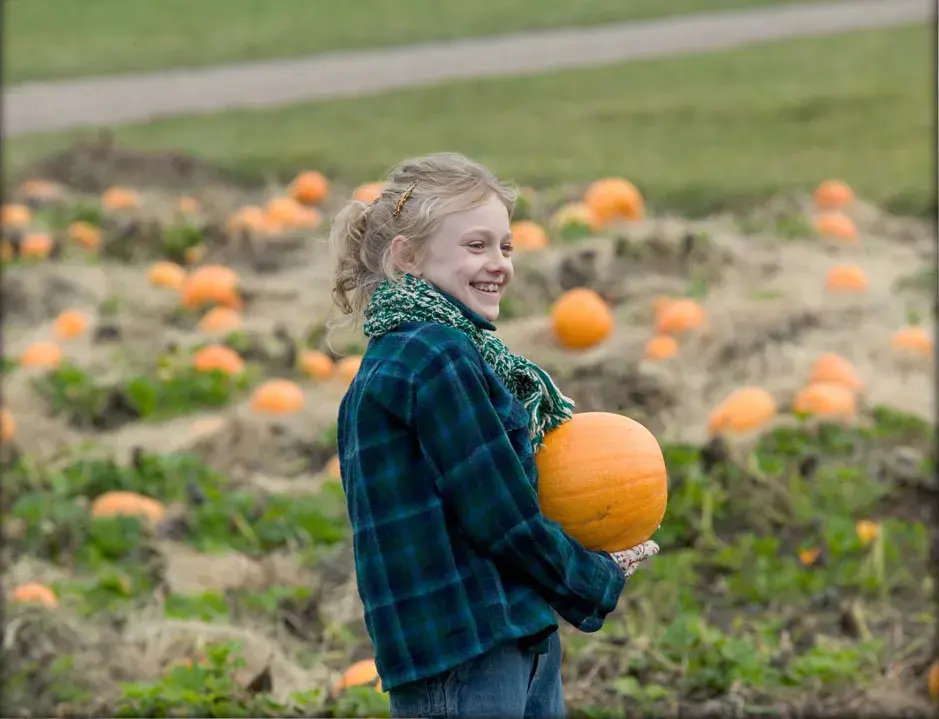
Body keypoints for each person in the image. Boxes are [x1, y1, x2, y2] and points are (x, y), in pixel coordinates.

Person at [329, 152, 660, 719]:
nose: (499, 264)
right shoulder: (433, 356)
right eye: (476, 246)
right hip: (468, 654)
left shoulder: (416, 356)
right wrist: (592, 576)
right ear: (407, 256)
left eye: (505, 246)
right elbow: (501, 515)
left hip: (504, 637)